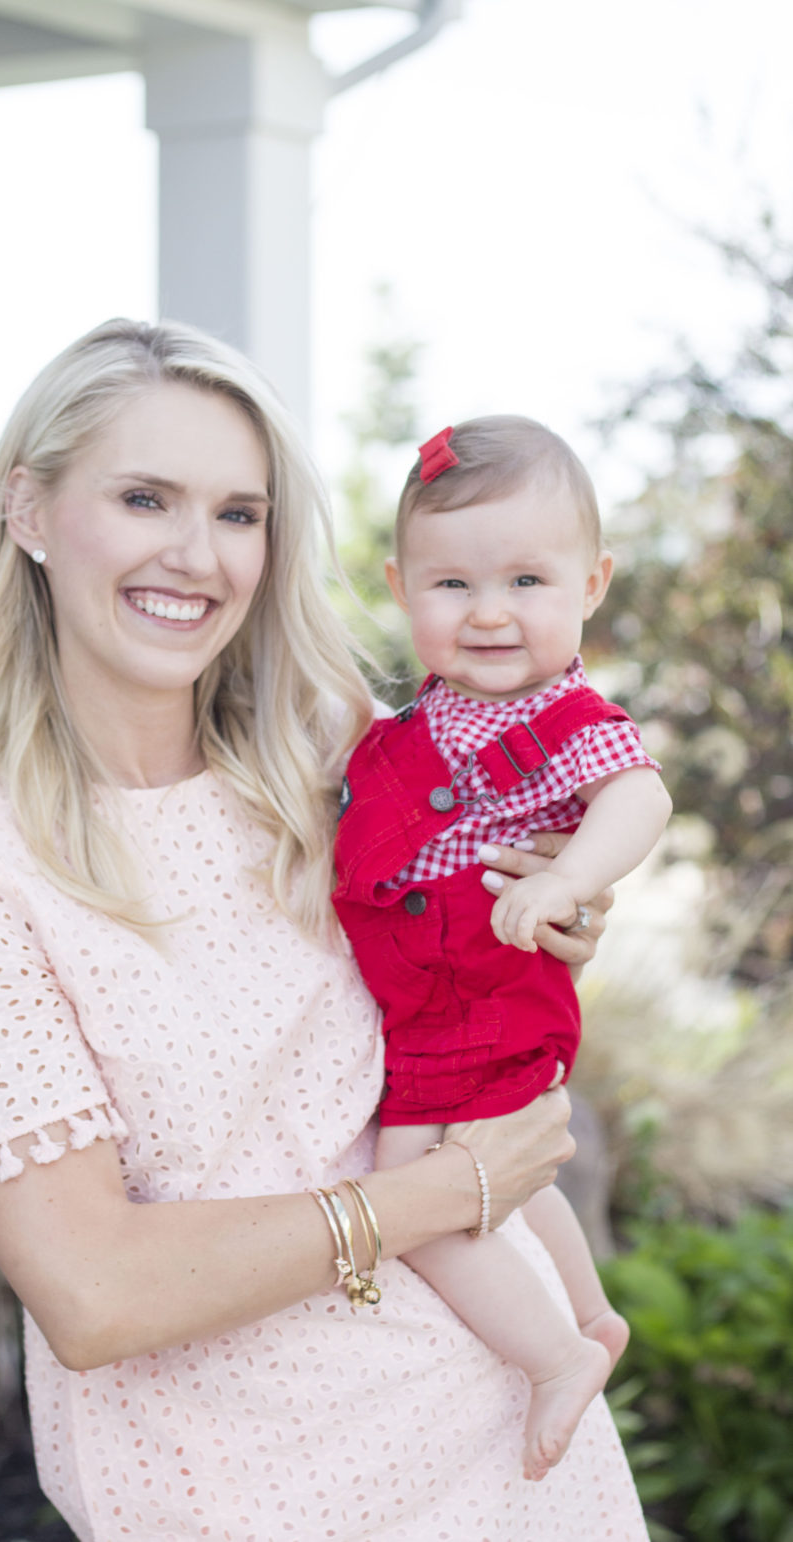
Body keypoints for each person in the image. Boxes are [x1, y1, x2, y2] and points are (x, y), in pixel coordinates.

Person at [0, 323, 650, 1541]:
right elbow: (94, 1292)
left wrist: (563, 906)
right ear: (29, 511)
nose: (194, 555)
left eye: (238, 513)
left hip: (518, 1455)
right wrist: (444, 1194)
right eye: (144, 497)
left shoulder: (325, 742)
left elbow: (498, 909)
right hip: (245, 1492)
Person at [333, 416, 672, 1483]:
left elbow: (637, 793)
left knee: (414, 1202)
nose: (488, 613)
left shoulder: (568, 715)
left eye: (526, 581)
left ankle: (554, 1356)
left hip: (485, 988)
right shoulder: (407, 725)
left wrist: (573, 878)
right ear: (399, 585)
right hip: (438, 997)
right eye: (451, 586)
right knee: (507, 1180)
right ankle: (587, 1312)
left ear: (591, 582)